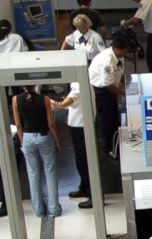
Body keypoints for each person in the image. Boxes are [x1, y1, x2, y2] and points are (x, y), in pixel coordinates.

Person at [13, 86, 61, 218]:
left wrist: (22, 141)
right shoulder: (44, 99)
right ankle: (54, 208)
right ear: (35, 86)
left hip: (27, 137)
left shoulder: (15, 100)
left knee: (33, 174)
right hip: (44, 136)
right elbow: (51, 124)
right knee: (50, 172)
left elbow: (18, 125)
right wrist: (57, 141)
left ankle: (39, 210)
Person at [51, 83, 93, 209]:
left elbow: (67, 102)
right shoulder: (76, 85)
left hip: (81, 127)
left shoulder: (80, 85)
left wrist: (54, 104)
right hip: (77, 126)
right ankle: (84, 187)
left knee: (84, 161)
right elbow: (72, 105)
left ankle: (92, 194)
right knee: (80, 160)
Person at [89, 35, 127, 157]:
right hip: (102, 92)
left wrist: (125, 84)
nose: (125, 53)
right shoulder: (107, 61)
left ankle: (115, 142)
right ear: (117, 49)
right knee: (107, 120)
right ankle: (108, 148)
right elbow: (108, 85)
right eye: (124, 50)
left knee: (114, 118)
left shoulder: (118, 56)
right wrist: (125, 93)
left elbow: (120, 72)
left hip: (110, 89)